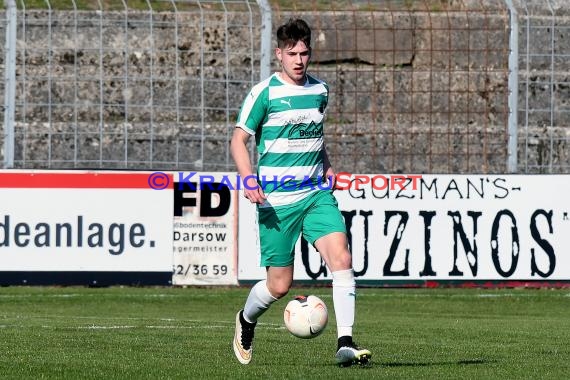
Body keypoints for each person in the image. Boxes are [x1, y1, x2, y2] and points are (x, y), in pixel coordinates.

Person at [230, 18, 371, 367]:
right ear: (279, 54)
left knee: (342, 259)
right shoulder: (265, 93)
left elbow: (314, 136)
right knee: (278, 286)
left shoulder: (320, 91)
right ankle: (246, 319)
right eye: (291, 53)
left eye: (304, 53)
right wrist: (248, 179)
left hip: (314, 195)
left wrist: (326, 164)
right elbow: (238, 139)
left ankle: (346, 342)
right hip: (275, 201)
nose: (298, 60)